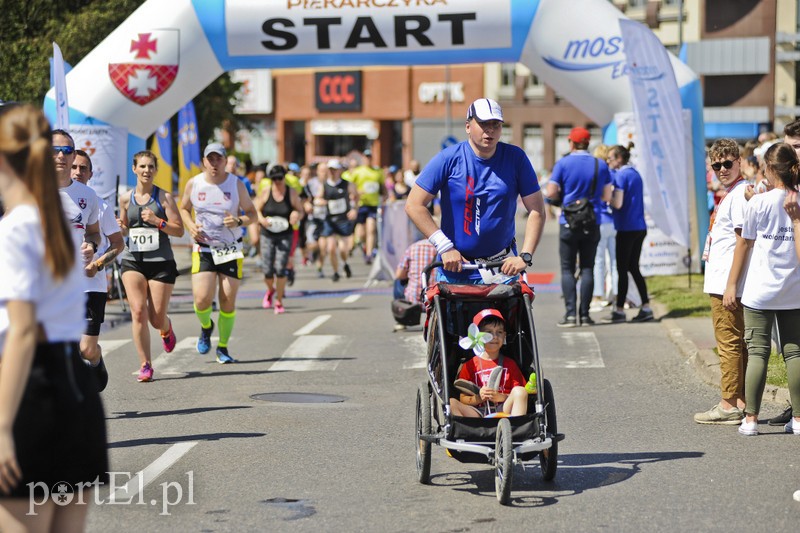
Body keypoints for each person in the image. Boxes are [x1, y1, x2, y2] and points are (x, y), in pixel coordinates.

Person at [0, 104, 108, 531]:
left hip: (34, 392)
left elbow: (23, 331)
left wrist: (3, 427)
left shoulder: (18, 228)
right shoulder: (59, 225)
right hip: (79, 394)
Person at [405, 98, 545, 286]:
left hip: (501, 266)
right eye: (483, 124)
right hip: (456, 267)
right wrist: (445, 247)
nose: (490, 130)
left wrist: (525, 256)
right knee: (447, 314)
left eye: (496, 124)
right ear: (468, 126)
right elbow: (414, 204)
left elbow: (537, 210)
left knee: (518, 313)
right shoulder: (449, 158)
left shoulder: (515, 158)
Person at [723, 142, 800, 436]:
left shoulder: (758, 202)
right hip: (793, 289)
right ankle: (798, 420)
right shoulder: (797, 200)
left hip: (760, 290)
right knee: (795, 353)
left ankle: (751, 420)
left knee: (757, 353)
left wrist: (732, 284)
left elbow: (744, 243)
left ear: (769, 169)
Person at [179, 143, 257, 364]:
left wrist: (239, 220)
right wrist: (190, 226)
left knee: (227, 300)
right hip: (204, 248)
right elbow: (183, 208)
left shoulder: (236, 184)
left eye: (218, 159)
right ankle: (206, 326)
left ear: (225, 161)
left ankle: (222, 347)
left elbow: (253, 214)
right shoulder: (194, 184)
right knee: (202, 299)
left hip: (231, 248)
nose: (214, 163)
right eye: (210, 159)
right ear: (204, 161)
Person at [691, 139, 750, 424]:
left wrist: (731, 284)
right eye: (717, 165)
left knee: (728, 343)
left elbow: (742, 240)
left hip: (727, 281)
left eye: (728, 163)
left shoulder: (738, 195)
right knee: (736, 343)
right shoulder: (734, 192)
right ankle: (739, 400)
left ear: (739, 161)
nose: (722, 169)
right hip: (726, 279)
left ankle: (728, 404)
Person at [118, 150, 183, 382]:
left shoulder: (164, 198)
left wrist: (158, 221)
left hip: (161, 262)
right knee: (138, 311)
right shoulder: (125, 198)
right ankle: (145, 364)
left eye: (150, 167)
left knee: (156, 319)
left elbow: (179, 229)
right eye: (142, 167)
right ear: (134, 169)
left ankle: (166, 329)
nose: (146, 171)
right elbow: (124, 227)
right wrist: (121, 227)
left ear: (156, 170)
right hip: (133, 260)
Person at [545, 127, 613, 327]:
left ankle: (570, 315)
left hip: (568, 221)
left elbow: (551, 192)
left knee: (567, 268)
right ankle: (585, 315)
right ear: (588, 143)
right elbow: (607, 196)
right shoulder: (600, 165)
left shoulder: (563, 163)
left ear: (571, 142)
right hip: (593, 221)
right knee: (587, 268)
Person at [71, 149, 124, 391]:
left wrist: (98, 264)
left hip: (92, 285)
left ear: (90, 173)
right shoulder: (51, 198)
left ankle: (96, 359)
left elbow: (117, 243)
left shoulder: (98, 205)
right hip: (63, 286)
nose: (78, 172)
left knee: (87, 349)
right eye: (75, 167)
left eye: (83, 168)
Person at [604, 144, 653, 323]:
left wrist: (606, 199)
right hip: (639, 226)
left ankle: (619, 310)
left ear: (618, 159)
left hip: (626, 227)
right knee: (633, 267)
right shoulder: (635, 173)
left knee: (622, 269)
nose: (608, 162)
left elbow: (618, 203)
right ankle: (646, 306)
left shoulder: (620, 176)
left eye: (610, 158)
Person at [449, 309, 529, 417]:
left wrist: (501, 397)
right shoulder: (469, 365)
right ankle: (466, 430)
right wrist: (478, 398)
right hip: (478, 411)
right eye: (488, 332)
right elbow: (463, 399)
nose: (495, 337)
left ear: (504, 335)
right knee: (452, 403)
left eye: (499, 332)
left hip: (504, 408)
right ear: (478, 335)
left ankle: (516, 427)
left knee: (520, 391)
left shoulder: (510, 364)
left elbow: (521, 393)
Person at [254, 164, 303, 314]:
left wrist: (296, 215)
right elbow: (256, 209)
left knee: (281, 267)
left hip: (285, 233)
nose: (277, 181)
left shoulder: (291, 193)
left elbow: (300, 210)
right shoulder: (266, 192)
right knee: (267, 268)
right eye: (274, 179)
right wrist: (261, 219)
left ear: (284, 178)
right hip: (268, 233)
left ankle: (279, 301)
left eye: (280, 178)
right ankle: (271, 290)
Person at [347, 150, 385, 264]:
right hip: (361, 204)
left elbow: (383, 188)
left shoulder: (378, 172)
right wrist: (355, 193)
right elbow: (350, 186)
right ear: (363, 158)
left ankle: (368, 254)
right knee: (361, 234)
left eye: (370, 157)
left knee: (371, 228)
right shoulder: (358, 172)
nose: (368, 159)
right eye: (366, 157)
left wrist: (386, 199)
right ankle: (363, 246)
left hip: (373, 205)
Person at [591, 144, 617, 309]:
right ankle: (615, 293)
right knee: (614, 261)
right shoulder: (614, 174)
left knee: (598, 260)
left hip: (599, 219)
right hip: (614, 220)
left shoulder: (596, 174)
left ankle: (598, 294)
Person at [393, 239, 437, 330]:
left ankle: (402, 318)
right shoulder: (443, 249)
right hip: (436, 298)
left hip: (413, 300)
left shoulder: (413, 247)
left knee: (398, 281)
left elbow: (399, 275)